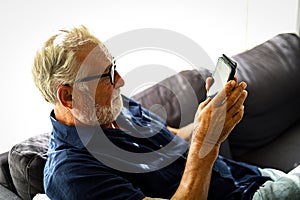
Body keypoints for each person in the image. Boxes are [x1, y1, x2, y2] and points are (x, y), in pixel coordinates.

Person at [32, 25, 300, 200]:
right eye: (107, 75)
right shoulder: (73, 175)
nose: (121, 81)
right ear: (67, 96)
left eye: (114, 67)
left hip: (251, 176)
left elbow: (175, 139)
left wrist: (206, 120)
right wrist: (206, 144)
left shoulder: (112, 106)